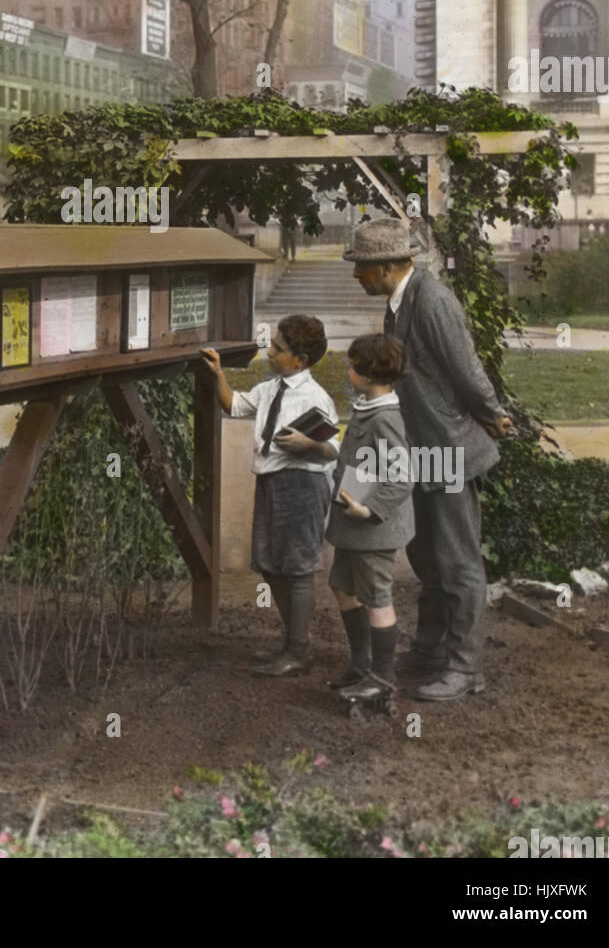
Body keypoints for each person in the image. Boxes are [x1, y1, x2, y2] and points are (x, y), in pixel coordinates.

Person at [345, 218, 514, 701]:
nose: (357, 277)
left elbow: (466, 367)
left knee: (458, 562)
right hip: (420, 450)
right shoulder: (398, 305)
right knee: (426, 556)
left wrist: (493, 414)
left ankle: (465, 669)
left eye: (361, 268)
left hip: (450, 450)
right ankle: (429, 650)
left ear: (385, 267)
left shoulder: (433, 300)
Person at [201, 315, 338, 676]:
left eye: (278, 349)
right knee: (270, 564)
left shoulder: (316, 398)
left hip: (303, 485)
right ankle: (294, 643)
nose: (270, 352)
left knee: (298, 567)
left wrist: (308, 443)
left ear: (301, 360)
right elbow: (232, 405)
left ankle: (297, 650)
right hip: (272, 483)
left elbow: (332, 451)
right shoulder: (269, 389)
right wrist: (218, 375)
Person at [326, 333, 415, 704]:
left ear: (365, 373)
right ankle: (362, 664)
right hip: (353, 526)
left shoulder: (384, 419)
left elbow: (403, 477)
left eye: (352, 365)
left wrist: (370, 509)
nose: (348, 370)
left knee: (377, 598)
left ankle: (382, 677)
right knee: (342, 587)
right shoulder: (369, 406)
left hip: (373, 528)